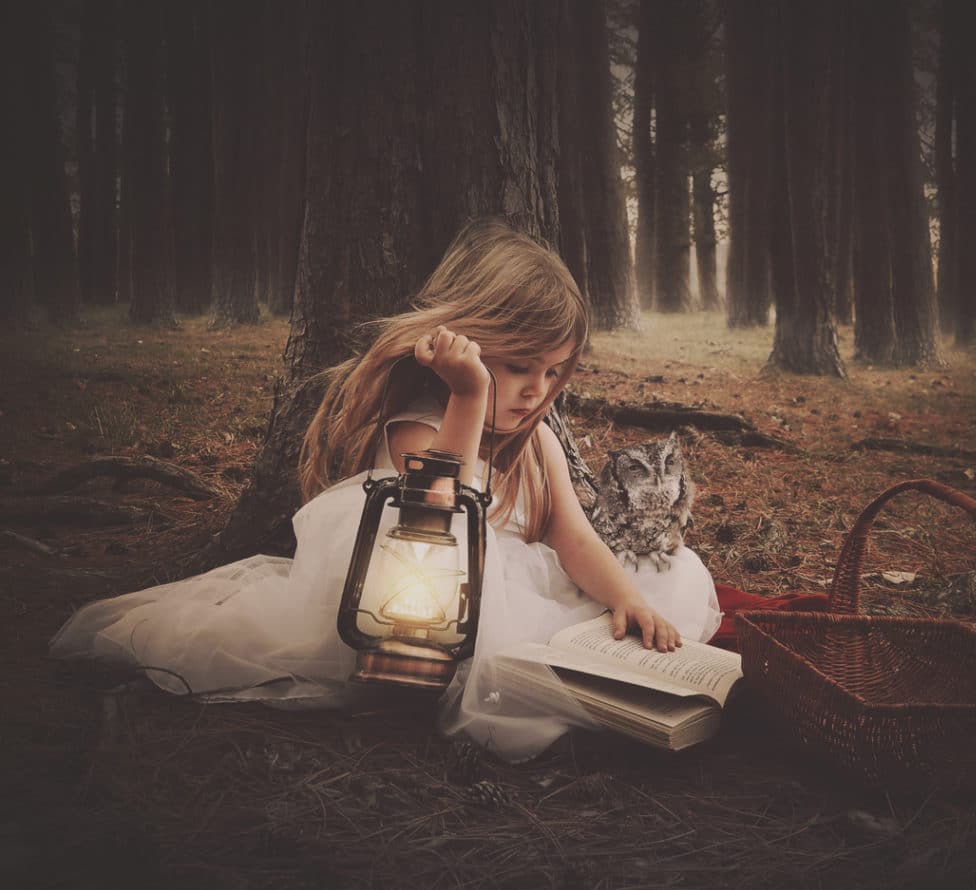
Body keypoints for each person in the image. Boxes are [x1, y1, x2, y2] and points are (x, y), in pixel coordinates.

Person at [50, 220, 722, 761]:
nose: (536, 392)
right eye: (517, 368)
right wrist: (469, 394)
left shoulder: (538, 438)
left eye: (552, 373)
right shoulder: (419, 423)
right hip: (424, 603)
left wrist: (629, 599)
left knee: (668, 581)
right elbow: (436, 520)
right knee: (496, 633)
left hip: (509, 597)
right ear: (466, 344)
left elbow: (573, 537)